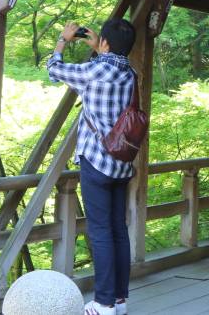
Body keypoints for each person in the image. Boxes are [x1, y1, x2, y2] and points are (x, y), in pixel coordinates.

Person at [47, 19, 137, 315]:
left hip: (96, 160)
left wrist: (63, 39)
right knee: (117, 229)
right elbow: (110, 65)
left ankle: (104, 303)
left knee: (99, 231)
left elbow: (54, 70)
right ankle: (120, 299)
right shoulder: (131, 72)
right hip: (122, 161)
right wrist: (100, 46)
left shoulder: (98, 69)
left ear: (106, 43)